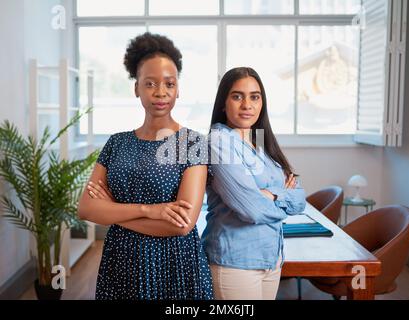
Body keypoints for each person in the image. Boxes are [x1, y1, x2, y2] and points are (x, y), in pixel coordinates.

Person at [77, 32, 213, 300]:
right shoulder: (116, 143)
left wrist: (114, 213)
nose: (160, 92)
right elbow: (86, 208)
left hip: (174, 264)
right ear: (136, 87)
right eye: (150, 83)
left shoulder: (193, 143)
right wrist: (150, 211)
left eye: (169, 84)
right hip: (121, 263)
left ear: (178, 89)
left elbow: (182, 225)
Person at [201, 67, 306, 300]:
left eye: (255, 97)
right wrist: (277, 197)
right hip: (235, 262)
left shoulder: (259, 142)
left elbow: (300, 198)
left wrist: (271, 194)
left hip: (272, 258)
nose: (247, 105)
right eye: (237, 96)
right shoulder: (218, 142)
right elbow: (252, 210)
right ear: (223, 103)